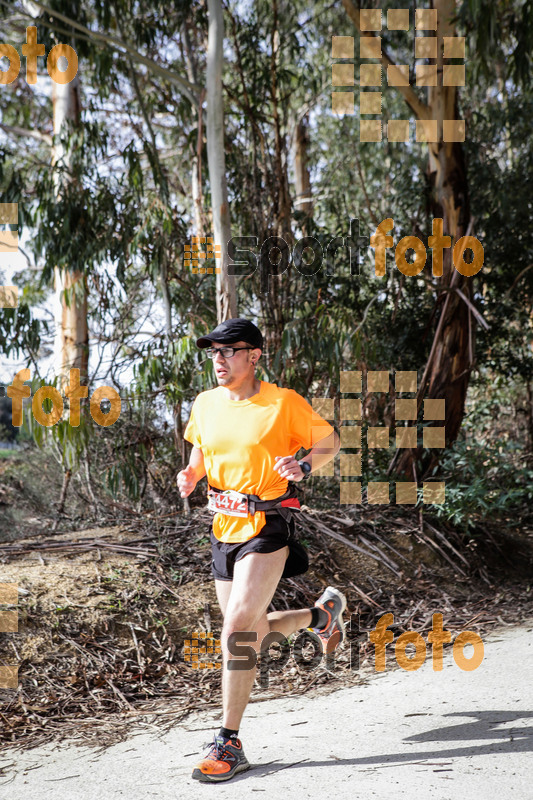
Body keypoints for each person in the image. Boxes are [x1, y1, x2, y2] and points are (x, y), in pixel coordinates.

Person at [177, 317, 345, 783]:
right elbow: (200, 454)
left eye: (228, 351)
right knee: (248, 635)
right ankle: (321, 617)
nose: (219, 359)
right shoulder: (205, 403)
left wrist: (304, 464)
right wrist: (191, 476)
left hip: (270, 521)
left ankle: (228, 741)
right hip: (223, 526)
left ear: (253, 356)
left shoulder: (282, 403)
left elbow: (329, 441)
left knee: (235, 626)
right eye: (213, 351)